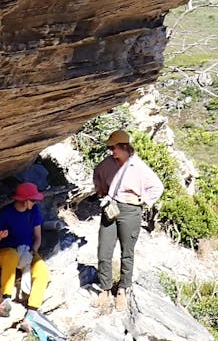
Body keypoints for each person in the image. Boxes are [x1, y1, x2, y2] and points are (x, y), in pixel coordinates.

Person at [92, 129, 164, 312]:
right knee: (104, 250)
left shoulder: (139, 167)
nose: (111, 151)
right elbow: (97, 174)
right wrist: (102, 191)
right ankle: (105, 288)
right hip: (111, 207)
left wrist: (143, 200)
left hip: (131, 211)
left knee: (127, 252)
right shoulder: (108, 163)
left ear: (124, 147)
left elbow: (157, 187)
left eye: (114, 147)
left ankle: (123, 289)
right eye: (110, 147)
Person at [0, 181, 50, 317]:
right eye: (33, 200)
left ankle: (32, 312)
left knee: (42, 271)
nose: (35, 203)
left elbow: (38, 237)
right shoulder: (6, 214)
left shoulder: (34, 211)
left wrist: (33, 251)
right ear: (25, 201)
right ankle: (6, 300)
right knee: (12, 255)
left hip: (27, 251)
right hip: (5, 253)